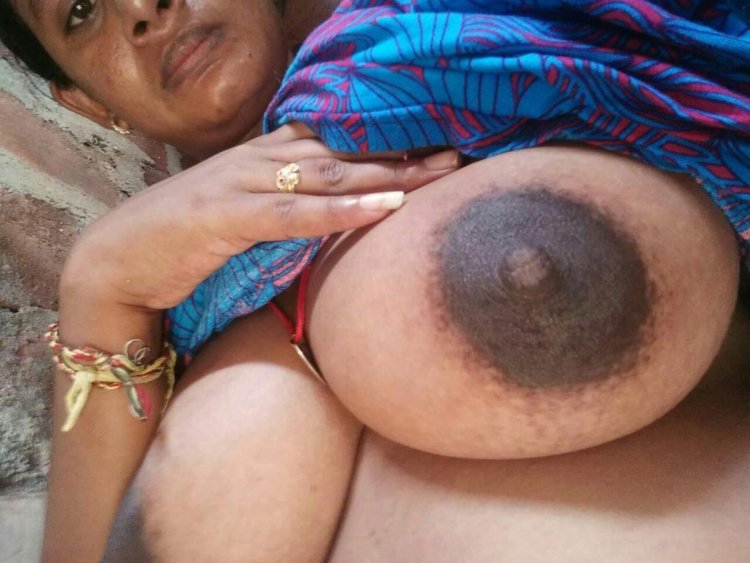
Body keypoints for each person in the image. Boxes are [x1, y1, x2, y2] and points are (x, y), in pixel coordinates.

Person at [0, 0, 747, 561]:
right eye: (80, 12)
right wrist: (103, 282)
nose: (140, 9)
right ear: (86, 100)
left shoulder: (478, 42)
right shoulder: (153, 309)